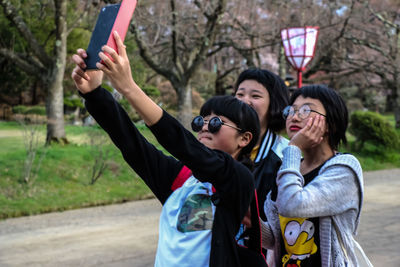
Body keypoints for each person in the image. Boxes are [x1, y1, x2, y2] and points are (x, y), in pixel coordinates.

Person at [71, 31, 267, 267]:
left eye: (216, 122)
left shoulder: (237, 179)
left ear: (244, 139)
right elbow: (130, 142)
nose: (204, 127)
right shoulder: (181, 180)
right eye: (200, 121)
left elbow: (182, 144)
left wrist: (130, 88)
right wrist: (94, 93)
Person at [261, 85, 364, 266]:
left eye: (306, 110)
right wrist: (250, 221)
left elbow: (292, 205)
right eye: (291, 110)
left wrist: (293, 148)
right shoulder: (290, 169)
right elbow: (278, 238)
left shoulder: (344, 170)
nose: (295, 116)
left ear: (329, 124)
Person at [233, 68, 289, 259]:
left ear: (274, 104)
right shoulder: (218, 148)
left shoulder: (286, 156)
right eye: (240, 93)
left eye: (255, 95)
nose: (244, 100)